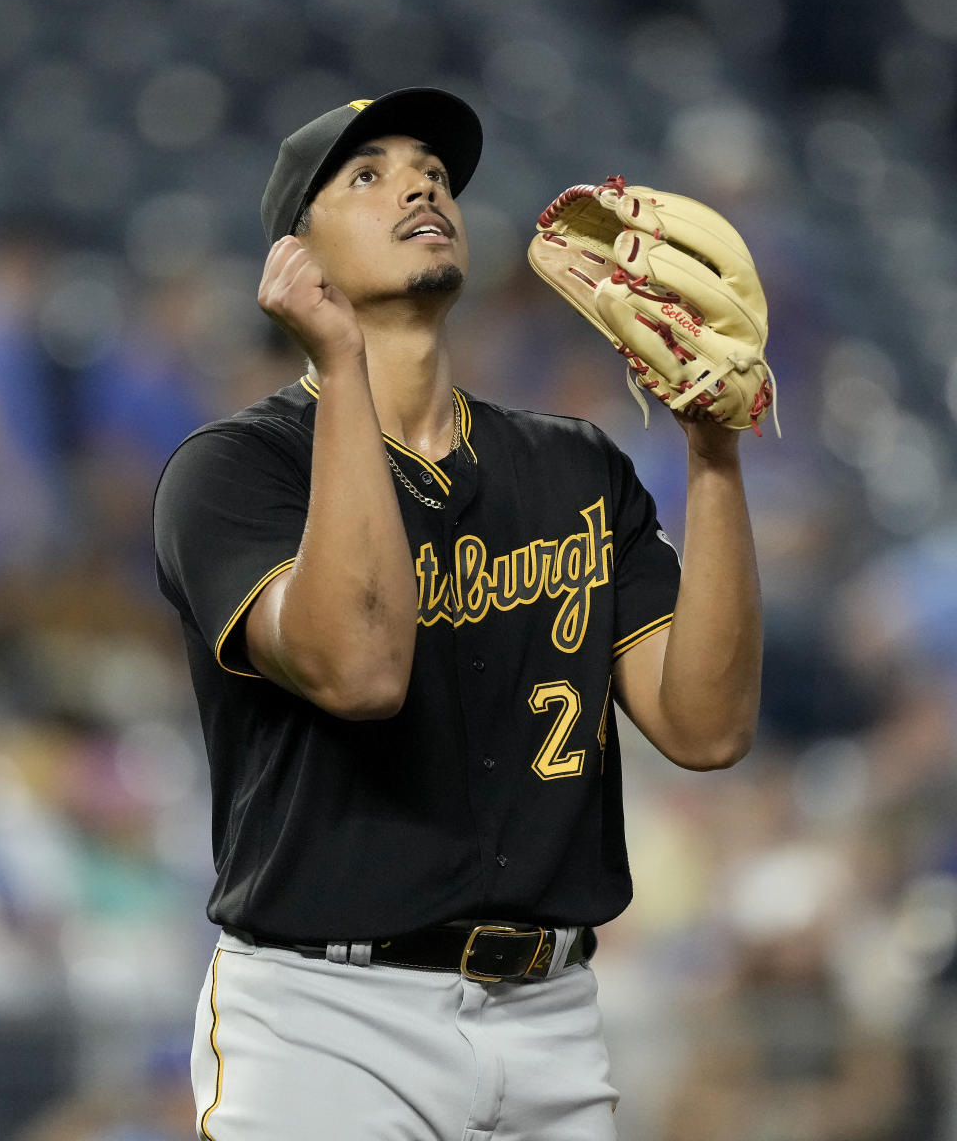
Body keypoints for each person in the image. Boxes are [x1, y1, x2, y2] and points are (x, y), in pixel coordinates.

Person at [153, 86, 763, 1140]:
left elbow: (706, 728)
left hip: (555, 1018)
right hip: (326, 1020)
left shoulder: (575, 463)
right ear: (295, 258)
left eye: (433, 169)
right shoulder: (234, 473)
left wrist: (714, 457)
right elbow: (359, 668)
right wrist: (342, 366)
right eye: (368, 173)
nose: (421, 182)